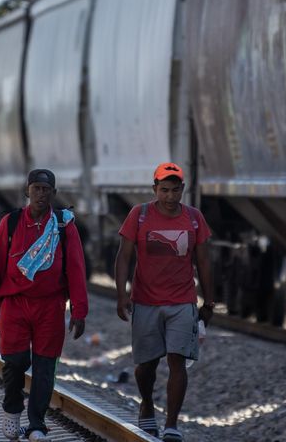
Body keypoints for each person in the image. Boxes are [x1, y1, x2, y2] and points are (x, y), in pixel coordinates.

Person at [0, 169, 88, 442]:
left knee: (45, 366)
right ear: (27, 191)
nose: (41, 194)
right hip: (15, 303)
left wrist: (79, 310)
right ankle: (12, 407)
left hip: (50, 306)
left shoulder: (63, 226)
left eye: (46, 190)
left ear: (54, 194)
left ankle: (37, 424)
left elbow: (76, 269)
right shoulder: (11, 222)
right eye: (36, 188)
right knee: (15, 360)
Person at [114, 162, 215, 442]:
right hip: (146, 301)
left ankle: (171, 424)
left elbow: (204, 261)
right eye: (164, 190)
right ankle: (147, 404)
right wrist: (121, 294)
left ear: (183, 189)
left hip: (182, 301)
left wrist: (209, 302)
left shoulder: (194, 218)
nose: (170, 196)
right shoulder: (140, 215)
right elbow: (123, 256)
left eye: (175, 190)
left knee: (177, 361)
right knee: (146, 365)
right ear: (155, 189)